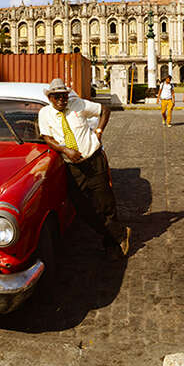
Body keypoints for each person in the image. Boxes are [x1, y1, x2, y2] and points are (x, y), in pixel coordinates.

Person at [36, 78, 130, 258]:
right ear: (50, 98)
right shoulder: (45, 114)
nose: (61, 100)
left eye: (64, 96)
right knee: (82, 208)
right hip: (73, 168)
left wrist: (99, 132)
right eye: (57, 97)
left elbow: (104, 110)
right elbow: (47, 138)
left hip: (94, 161)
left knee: (106, 204)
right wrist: (65, 150)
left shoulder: (78, 104)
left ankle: (112, 245)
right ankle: (119, 233)